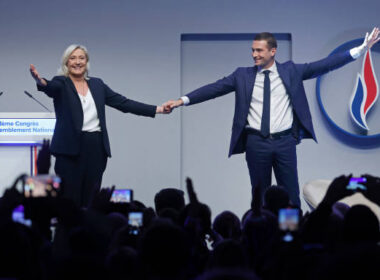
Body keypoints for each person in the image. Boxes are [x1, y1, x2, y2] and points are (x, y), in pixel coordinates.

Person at [164, 28, 380, 207]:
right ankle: (264, 239)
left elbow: (325, 64)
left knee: (291, 197)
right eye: (252, 50)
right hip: (256, 143)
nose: (254, 54)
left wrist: (360, 50)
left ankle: (290, 237)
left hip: (285, 142)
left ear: (273, 51)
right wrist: (181, 100)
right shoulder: (242, 75)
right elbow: (214, 89)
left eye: (259, 50)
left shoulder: (291, 71)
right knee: (260, 198)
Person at [30, 44, 170, 207]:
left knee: (91, 199)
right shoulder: (61, 82)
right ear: (66, 63)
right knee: (69, 199)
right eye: (73, 58)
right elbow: (50, 88)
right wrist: (40, 81)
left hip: (95, 147)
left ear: (87, 61)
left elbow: (123, 103)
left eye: (81, 58)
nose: (77, 62)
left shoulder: (97, 85)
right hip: (69, 151)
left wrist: (158, 109)